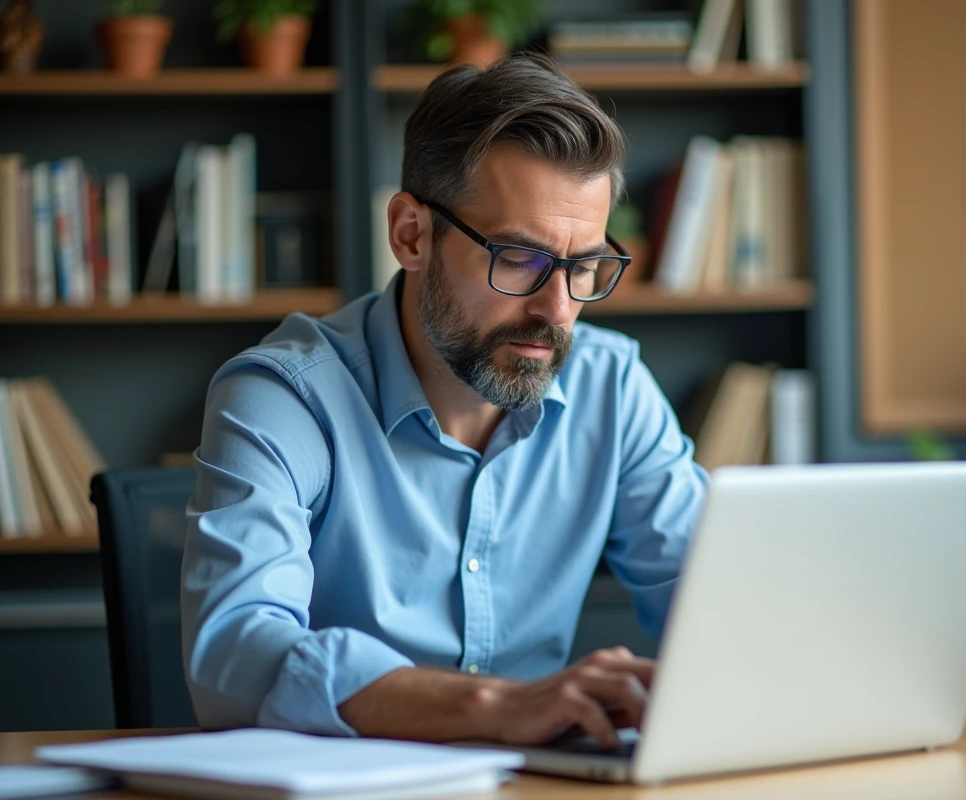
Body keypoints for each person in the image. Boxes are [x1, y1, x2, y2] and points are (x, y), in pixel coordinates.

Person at [180, 52, 707, 751]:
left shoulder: (612, 388)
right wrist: (494, 707)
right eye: (519, 258)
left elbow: (722, 609)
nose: (558, 309)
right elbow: (234, 656)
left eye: (584, 266)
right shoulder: (284, 396)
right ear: (411, 235)